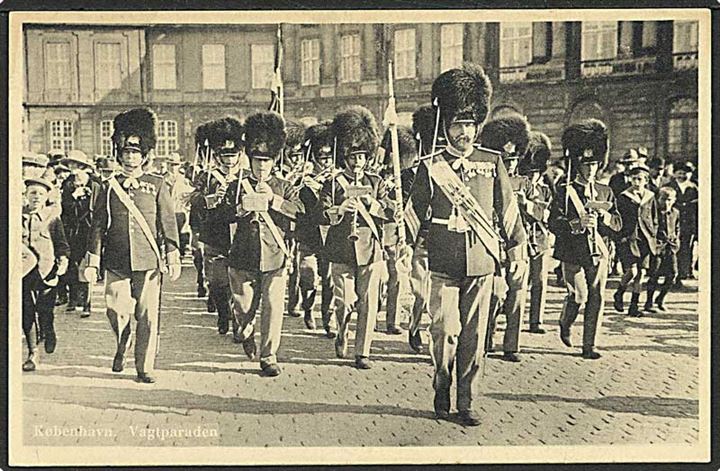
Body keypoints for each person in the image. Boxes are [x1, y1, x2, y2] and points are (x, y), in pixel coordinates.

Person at [404, 64, 527, 425]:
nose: (465, 132)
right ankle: (442, 384)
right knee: (444, 332)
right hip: (442, 261)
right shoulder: (431, 166)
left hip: (481, 261)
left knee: (475, 337)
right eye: (458, 125)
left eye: (470, 125)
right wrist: (403, 245)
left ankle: (467, 401)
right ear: (447, 127)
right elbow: (414, 213)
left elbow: (507, 211)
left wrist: (516, 248)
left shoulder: (492, 162)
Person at [83, 108, 181, 383]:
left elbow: (168, 222)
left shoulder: (157, 184)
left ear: (145, 155)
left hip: (148, 262)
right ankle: (123, 336)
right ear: (119, 155)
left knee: (148, 317)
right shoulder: (107, 186)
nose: (130, 158)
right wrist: (92, 261)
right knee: (115, 309)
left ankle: (144, 366)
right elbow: (98, 225)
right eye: (126, 153)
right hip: (116, 260)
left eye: (135, 153)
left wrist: (172, 254)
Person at [221, 111, 303, 377]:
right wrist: (240, 210)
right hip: (243, 255)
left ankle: (269, 355)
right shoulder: (237, 184)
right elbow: (221, 215)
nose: (261, 167)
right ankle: (245, 330)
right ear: (250, 159)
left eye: (266, 162)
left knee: (273, 305)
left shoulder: (283, 186)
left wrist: (275, 202)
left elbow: (299, 212)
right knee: (243, 307)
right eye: (257, 161)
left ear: (274, 161)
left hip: (274, 255)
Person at [319, 106, 391, 370]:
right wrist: (339, 210)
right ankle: (342, 330)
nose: (358, 162)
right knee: (345, 302)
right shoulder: (333, 183)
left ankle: (363, 352)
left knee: (369, 302)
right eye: (353, 156)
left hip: (370, 249)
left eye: (362, 156)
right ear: (345, 157)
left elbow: (392, 209)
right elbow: (322, 212)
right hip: (341, 249)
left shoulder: (376, 182)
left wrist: (374, 207)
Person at [548, 119, 622, 360]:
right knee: (578, 296)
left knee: (597, 297)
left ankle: (589, 345)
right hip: (573, 251)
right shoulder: (564, 190)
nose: (590, 169)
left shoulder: (605, 191)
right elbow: (553, 222)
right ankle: (565, 321)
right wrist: (576, 224)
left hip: (599, 252)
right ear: (577, 165)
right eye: (586, 164)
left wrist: (607, 217)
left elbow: (618, 224)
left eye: (594, 164)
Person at [481, 113, 531, 363]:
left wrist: (529, 206)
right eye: (505, 158)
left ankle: (512, 345)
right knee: (493, 295)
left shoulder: (525, 182)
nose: (509, 164)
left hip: (519, 243)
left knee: (517, 293)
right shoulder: (487, 181)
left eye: (513, 159)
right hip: (494, 244)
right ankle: (486, 338)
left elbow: (541, 216)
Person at [189, 117, 244, 333]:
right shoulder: (208, 176)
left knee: (238, 284)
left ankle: (238, 318)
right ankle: (224, 314)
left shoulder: (245, 176)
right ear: (217, 156)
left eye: (233, 156)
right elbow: (192, 198)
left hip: (240, 236)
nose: (229, 161)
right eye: (225, 156)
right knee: (218, 282)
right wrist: (208, 199)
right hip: (214, 235)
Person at [293, 121, 339, 337]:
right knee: (308, 275)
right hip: (308, 235)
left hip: (330, 236)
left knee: (329, 280)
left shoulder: (337, 181)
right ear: (314, 158)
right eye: (322, 158)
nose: (326, 162)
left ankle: (328, 319)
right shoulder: (304, 180)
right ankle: (308, 306)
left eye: (330, 157)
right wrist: (304, 182)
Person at [22, 176, 70, 371]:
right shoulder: (15, 215)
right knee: (26, 312)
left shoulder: (52, 217)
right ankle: (33, 353)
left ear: (46, 198)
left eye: (40, 194)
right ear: (25, 195)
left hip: (46, 271)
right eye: (32, 193)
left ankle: (48, 330)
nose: (36, 197)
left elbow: (62, 244)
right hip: (23, 272)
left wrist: (63, 261)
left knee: (44, 310)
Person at [378, 124, 417, 336]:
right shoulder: (377, 175)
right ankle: (372, 311)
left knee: (395, 276)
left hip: (396, 232)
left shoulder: (409, 176)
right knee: (379, 278)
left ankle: (392, 320)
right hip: (376, 232)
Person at [405, 104, 436, 354]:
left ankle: (437, 339)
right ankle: (414, 327)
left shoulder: (449, 171)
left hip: (446, 240)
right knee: (421, 295)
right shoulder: (409, 175)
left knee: (441, 299)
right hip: (422, 241)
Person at [518, 131, 554, 334]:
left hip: (540, 238)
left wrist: (529, 206)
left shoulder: (546, 190)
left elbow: (546, 213)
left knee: (540, 281)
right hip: (522, 238)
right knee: (521, 282)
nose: (532, 177)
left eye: (536, 173)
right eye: (529, 173)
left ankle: (536, 320)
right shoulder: (517, 188)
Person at [60, 150, 101, 318]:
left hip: (89, 230)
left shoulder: (95, 185)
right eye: (71, 166)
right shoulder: (67, 185)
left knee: (88, 265)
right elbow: (64, 209)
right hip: (71, 231)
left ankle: (87, 303)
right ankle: (73, 298)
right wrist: (73, 198)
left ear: (85, 168)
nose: (73, 169)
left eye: (77, 166)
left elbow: (98, 210)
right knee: (72, 265)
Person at [612, 165, 658, 317]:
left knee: (641, 273)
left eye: (639, 179)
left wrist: (653, 233)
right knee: (632, 271)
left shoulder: (650, 196)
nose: (636, 182)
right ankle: (619, 292)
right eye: (633, 179)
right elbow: (617, 218)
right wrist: (620, 237)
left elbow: (654, 217)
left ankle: (634, 306)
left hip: (645, 238)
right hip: (629, 238)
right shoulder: (624, 197)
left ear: (645, 180)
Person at [283, 120, 310, 320]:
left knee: (301, 266)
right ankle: (291, 300)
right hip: (285, 224)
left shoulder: (307, 172)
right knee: (288, 263)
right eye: (293, 156)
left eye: (299, 156)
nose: (296, 159)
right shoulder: (281, 174)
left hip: (303, 224)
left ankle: (298, 301)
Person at [645, 186, 680, 312]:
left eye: (669, 200)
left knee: (673, 274)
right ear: (658, 199)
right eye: (663, 199)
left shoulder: (675, 212)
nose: (666, 203)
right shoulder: (653, 212)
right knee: (654, 275)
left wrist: (676, 240)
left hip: (670, 248)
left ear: (674, 200)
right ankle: (648, 302)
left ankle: (660, 298)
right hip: (657, 248)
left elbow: (677, 228)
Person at [668, 162, 698, 283]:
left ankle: (685, 272)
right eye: (679, 173)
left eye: (685, 173)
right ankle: (672, 274)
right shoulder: (669, 186)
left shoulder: (694, 187)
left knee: (687, 248)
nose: (682, 175)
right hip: (673, 222)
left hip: (688, 223)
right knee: (673, 248)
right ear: (674, 174)